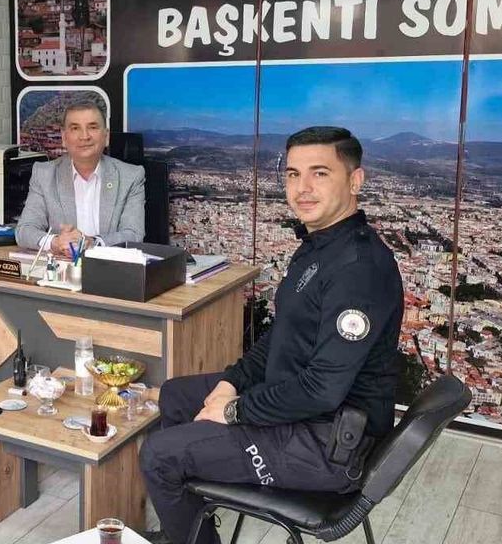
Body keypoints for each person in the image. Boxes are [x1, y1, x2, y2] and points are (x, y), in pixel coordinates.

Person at [138, 126, 403, 544]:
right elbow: (280, 336)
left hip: (327, 444)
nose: (302, 188)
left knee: (158, 455)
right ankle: (189, 526)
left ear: (355, 181)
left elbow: (321, 391)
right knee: (175, 395)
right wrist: (231, 383)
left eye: (319, 173)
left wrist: (234, 411)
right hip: (303, 412)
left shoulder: (359, 269)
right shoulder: (318, 247)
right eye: (293, 174)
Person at [15, 101, 145, 256]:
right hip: (61, 266)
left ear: (106, 136)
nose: (84, 136)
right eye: (75, 128)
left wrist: (93, 243)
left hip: (108, 267)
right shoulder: (44, 174)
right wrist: (56, 242)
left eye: (92, 127)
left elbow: (133, 234)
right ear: (64, 138)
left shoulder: (130, 176)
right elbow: (24, 231)